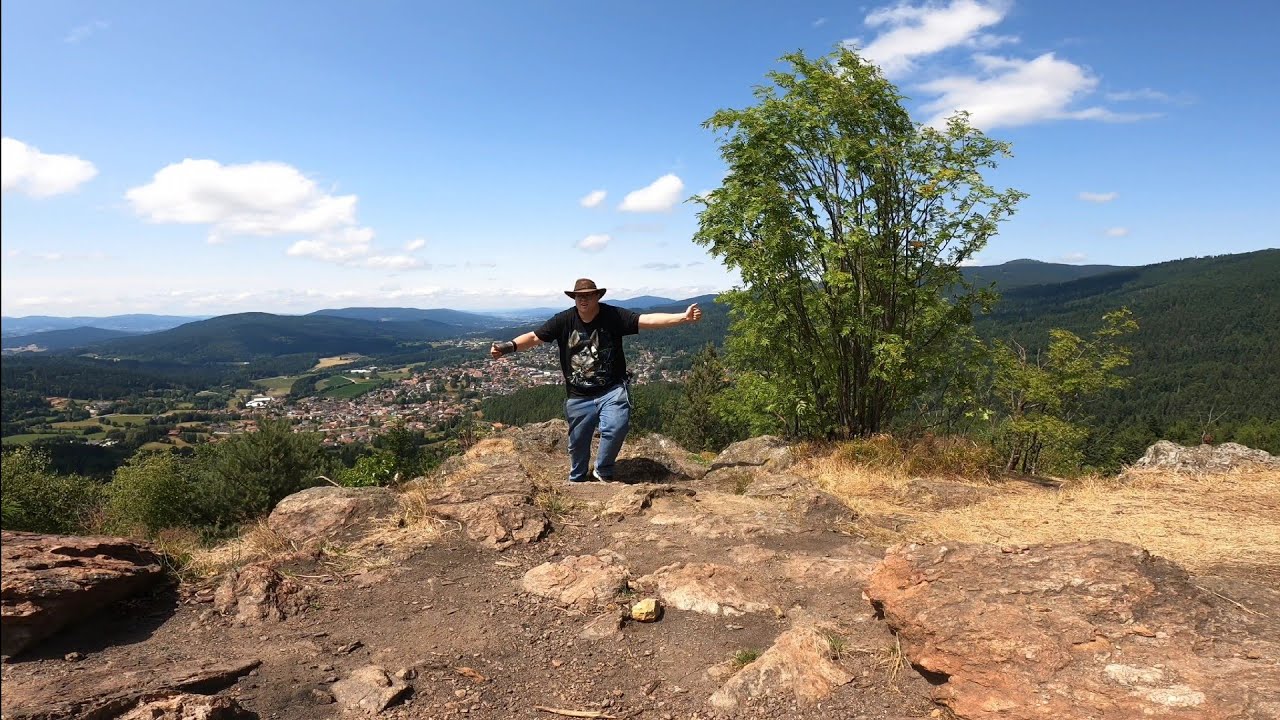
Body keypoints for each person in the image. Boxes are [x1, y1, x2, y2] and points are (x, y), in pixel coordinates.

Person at [489, 278, 703, 483]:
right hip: (578, 394)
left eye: (589, 295)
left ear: (597, 296)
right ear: (574, 298)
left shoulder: (613, 316)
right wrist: (507, 347)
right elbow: (535, 337)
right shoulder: (564, 320)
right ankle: (578, 478)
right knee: (578, 443)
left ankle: (603, 469)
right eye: (578, 296)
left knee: (616, 427)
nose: (583, 300)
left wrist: (683, 317)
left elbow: (645, 320)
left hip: (612, 388)